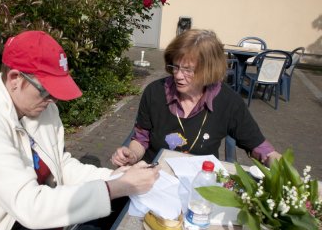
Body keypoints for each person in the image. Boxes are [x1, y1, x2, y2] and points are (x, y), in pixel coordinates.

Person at [0, 30, 160, 230]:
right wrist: (116, 187)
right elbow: (29, 206)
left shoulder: (43, 110)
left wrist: (116, 176)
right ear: (15, 78)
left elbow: (61, 165)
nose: (53, 99)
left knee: (115, 215)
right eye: (46, 90)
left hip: (36, 223)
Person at [111, 29, 281, 168]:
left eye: (187, 70)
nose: (177, 75)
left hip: (200, 182)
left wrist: (278, 163)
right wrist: (131, 155)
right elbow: (141, 139)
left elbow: (258, 145)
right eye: (175, 67)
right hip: (153, 176)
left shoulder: (228, 101)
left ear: (209, 71)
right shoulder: (154, 92)